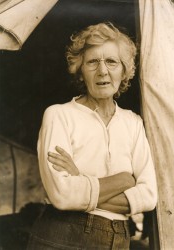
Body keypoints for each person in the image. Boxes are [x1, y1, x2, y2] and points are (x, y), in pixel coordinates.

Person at [27, 22, 157, 250]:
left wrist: (80, 177)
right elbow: (63, 195)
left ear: (124, 70)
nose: (102, 71)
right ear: (80, 69)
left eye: (111, 62)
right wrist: (125, 179)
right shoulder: (58, 115)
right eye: (92, 62)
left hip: (119, 239)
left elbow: (148, 196)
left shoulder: (133, 123)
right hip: (62, 235)